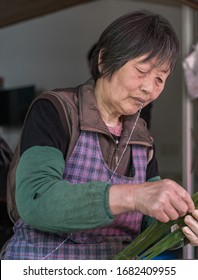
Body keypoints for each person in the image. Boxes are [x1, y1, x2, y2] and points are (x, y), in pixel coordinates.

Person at [4, 10, 198, 260]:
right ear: (105, 61)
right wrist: (133, 195)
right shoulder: (56, 110)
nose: (149, 88)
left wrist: (178, 228)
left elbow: (150, 224)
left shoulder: (142, 137)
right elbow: (35, 200)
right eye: (141, 71)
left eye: (160, 79)